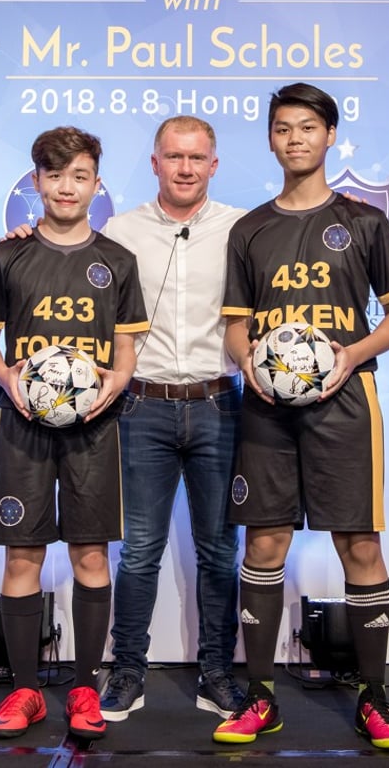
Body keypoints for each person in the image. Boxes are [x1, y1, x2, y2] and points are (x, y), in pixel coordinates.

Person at [214, 83, 389, 750]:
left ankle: (375, 696)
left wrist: (350, 354)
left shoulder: (363, 222)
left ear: (331, 136)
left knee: (359, 543)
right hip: (268, 410)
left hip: (347, 404)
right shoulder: (250, 229)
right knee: (264, 543)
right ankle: (261, 695)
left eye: (307, 127)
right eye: (281, 128)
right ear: (270, 139)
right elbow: (235, 329)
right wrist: (250, 364)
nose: (294, 138)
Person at [0, 125, 149, 741]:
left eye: (79, 176)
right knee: (22, 553)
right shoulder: (7, 255)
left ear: (97, 184)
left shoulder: (117, 262)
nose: (66, 187)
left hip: (94, 428)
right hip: (23, 425)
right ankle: (24, 691)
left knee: (91, 553)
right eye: (53, 176)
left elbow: (126, 352)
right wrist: (11, 377)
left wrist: (115, 383)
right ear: (36, 184)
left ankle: (81, 688)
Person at [98, 116, 246, 721]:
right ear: (154, 163)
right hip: (142, 408)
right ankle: (126, 671)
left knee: (219, 553)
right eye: (173, 157)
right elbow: (71, 268)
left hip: (220, 405)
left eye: (196, 158)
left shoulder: (241, 229)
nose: (184, 168)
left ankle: (217, 673)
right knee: (138, 553)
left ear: (213, 165)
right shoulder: (120, 230)